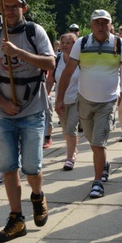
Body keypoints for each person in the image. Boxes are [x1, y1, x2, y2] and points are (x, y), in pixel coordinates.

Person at [0, 0, 55, 242]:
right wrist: (1, 101)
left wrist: (18, 53)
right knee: (8, 166)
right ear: (0, 9)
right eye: (5, 6)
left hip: (32, 108)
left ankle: (37, 195)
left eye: (15, 6)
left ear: (25, 8)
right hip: (4, 112)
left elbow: (49, 64)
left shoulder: (35, 32)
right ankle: (16, 218)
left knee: (32, 167)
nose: (10, 10)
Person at [56, 9, 122, 199]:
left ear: (110, 24)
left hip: (107, 103)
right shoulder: (81, 43)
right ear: (90, 25)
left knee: (98, 143)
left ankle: (97, 182)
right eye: (96, 22)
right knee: (93, 142)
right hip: (84, 101)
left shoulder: (118, 43)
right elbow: (67, 72)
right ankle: (104, 165)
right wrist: (59, 98)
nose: (100, 25)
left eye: (104, 22)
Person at [46, 32, 81, 170]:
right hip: (61, 100)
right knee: (66, 131)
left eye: (69, 43)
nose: (65, 45)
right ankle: (73, 149)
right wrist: (45, 96)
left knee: (71, 128)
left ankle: (70, 157)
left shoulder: (80, 60)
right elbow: (50, 81)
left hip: (78, 99)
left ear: (75, 44)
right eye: (63, 42)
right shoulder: (57, 59)